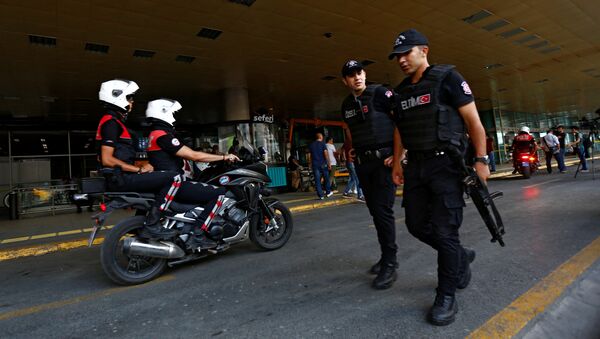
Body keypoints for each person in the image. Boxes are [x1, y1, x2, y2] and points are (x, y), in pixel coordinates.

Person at [388, 29, 488, 326]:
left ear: (424, 51)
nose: (402, 60)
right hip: (416, 167)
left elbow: (474, 122)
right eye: (398, 56)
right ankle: (459, 255)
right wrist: (397, 162)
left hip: (446, 167)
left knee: (445, 233)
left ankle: (446, 295)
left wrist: (481, 161)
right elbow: (399, 129)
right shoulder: (402, 91)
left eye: (407, 53)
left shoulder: (449, 79)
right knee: (417, 226)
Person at [145, 98, 240, 250]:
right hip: (175, 184)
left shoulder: (153, 135)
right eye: (172, 113)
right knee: (219, 193)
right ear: (163, 112)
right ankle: (198, 235)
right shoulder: (163, 135)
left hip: (164, 184)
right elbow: (194, 156)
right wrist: (224, 157)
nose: (174, 117)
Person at [340, 60, 398, 289]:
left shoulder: (381, 93)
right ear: (345, 81)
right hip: (364, 165)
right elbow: (351, 130)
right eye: (351, 75)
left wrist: (399, 155)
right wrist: (352, 148)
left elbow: (400, 122)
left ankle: (391, 263)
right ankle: (386, 256)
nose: (357, 77)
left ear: (365, 74)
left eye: (360, 72)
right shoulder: (346, 104)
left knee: (383, 212)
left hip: (384, 162)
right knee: (375, 212)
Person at [95, 79, 179, 239]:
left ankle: (141, 224)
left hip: (120, 177)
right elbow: (107, 159)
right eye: (129, 97)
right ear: (117, 97)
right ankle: (152, 224)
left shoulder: (113, 122)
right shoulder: (111, 123)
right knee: (173, 178)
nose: (131, 102)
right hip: (120, 179)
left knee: (156, 183)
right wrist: (139, 170)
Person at [308, 132, 333, 200]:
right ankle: (328, 192)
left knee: (317, 180)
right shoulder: (322, 144)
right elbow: (325, 154)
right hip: (323, 164)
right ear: (321, 137)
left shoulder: (311, 145)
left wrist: (310, 164)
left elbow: (309, 156)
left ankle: (321, 195)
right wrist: (329, 163)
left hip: (315, 164)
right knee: (326, 178)